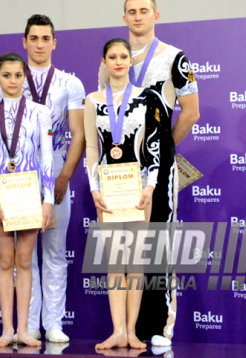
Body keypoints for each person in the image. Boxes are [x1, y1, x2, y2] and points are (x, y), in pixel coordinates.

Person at [98, 0, 200, 346]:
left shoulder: (175, 57)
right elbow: (103, 114)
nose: (138, 17)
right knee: (120, 249)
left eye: (144, 11)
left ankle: (159, 327)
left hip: (157, 166)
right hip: (116, 169)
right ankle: (124, 329)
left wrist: (164, 147)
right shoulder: (112, 57)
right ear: (123, 17)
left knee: (158, 242)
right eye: (131, 12)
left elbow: (191, 111)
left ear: (156, 14)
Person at [0, 14, 85, 343]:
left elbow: (78, 134)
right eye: (34, 38)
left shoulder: (70, 84)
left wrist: (64, 176)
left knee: (55, 251)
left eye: (46, 38)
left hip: (57, 169)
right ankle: (28, 324)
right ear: (25, 42)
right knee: (23, 255)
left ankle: (54, 323)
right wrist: (0, 184)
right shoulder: (9, 79)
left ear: (54, 42)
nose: (40, 44)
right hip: (18, 176)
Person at [86, 38, 167, 350]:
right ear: (104, 61)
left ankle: (132, 331)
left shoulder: (148, 98)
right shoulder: (92, 100)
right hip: (107, 187)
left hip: (139, 187)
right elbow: (92, 148)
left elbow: (155, 146)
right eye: (112, 56)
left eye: (123, 56)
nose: (118, 61)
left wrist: (150, 186)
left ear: (130, 61)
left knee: (135, 260)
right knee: (113, 261)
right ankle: (117, 330)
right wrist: (94, 188)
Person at [0, 53, 55, 347]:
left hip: (29, 192)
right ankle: (7, 329)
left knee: (25, 260)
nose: (12, 81)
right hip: (1, 194)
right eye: (6, 75)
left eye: (18, 75)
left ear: (25, 78)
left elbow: (47, 158)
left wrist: (47, 200)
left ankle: (24, 330)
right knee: (6, 261)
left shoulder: (40, 112)